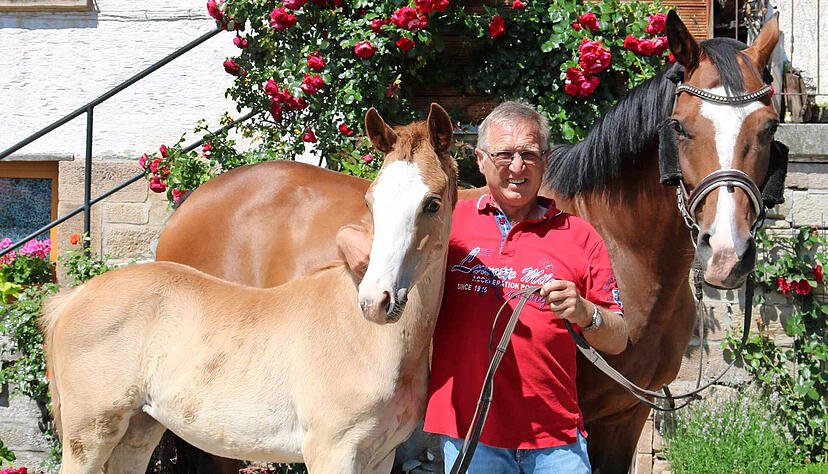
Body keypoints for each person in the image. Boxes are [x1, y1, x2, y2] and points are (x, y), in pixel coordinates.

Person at [423, 101, 629, 473]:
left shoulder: (580, 236)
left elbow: (617, 339)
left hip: (556, 441)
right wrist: (350, 242)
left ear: (546, 160)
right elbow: (388, 253)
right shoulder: (448, 224)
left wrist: (586, 312)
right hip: (471, 435)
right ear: (481, 160)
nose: (517, 167)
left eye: (529, 154)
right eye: (504, 154)